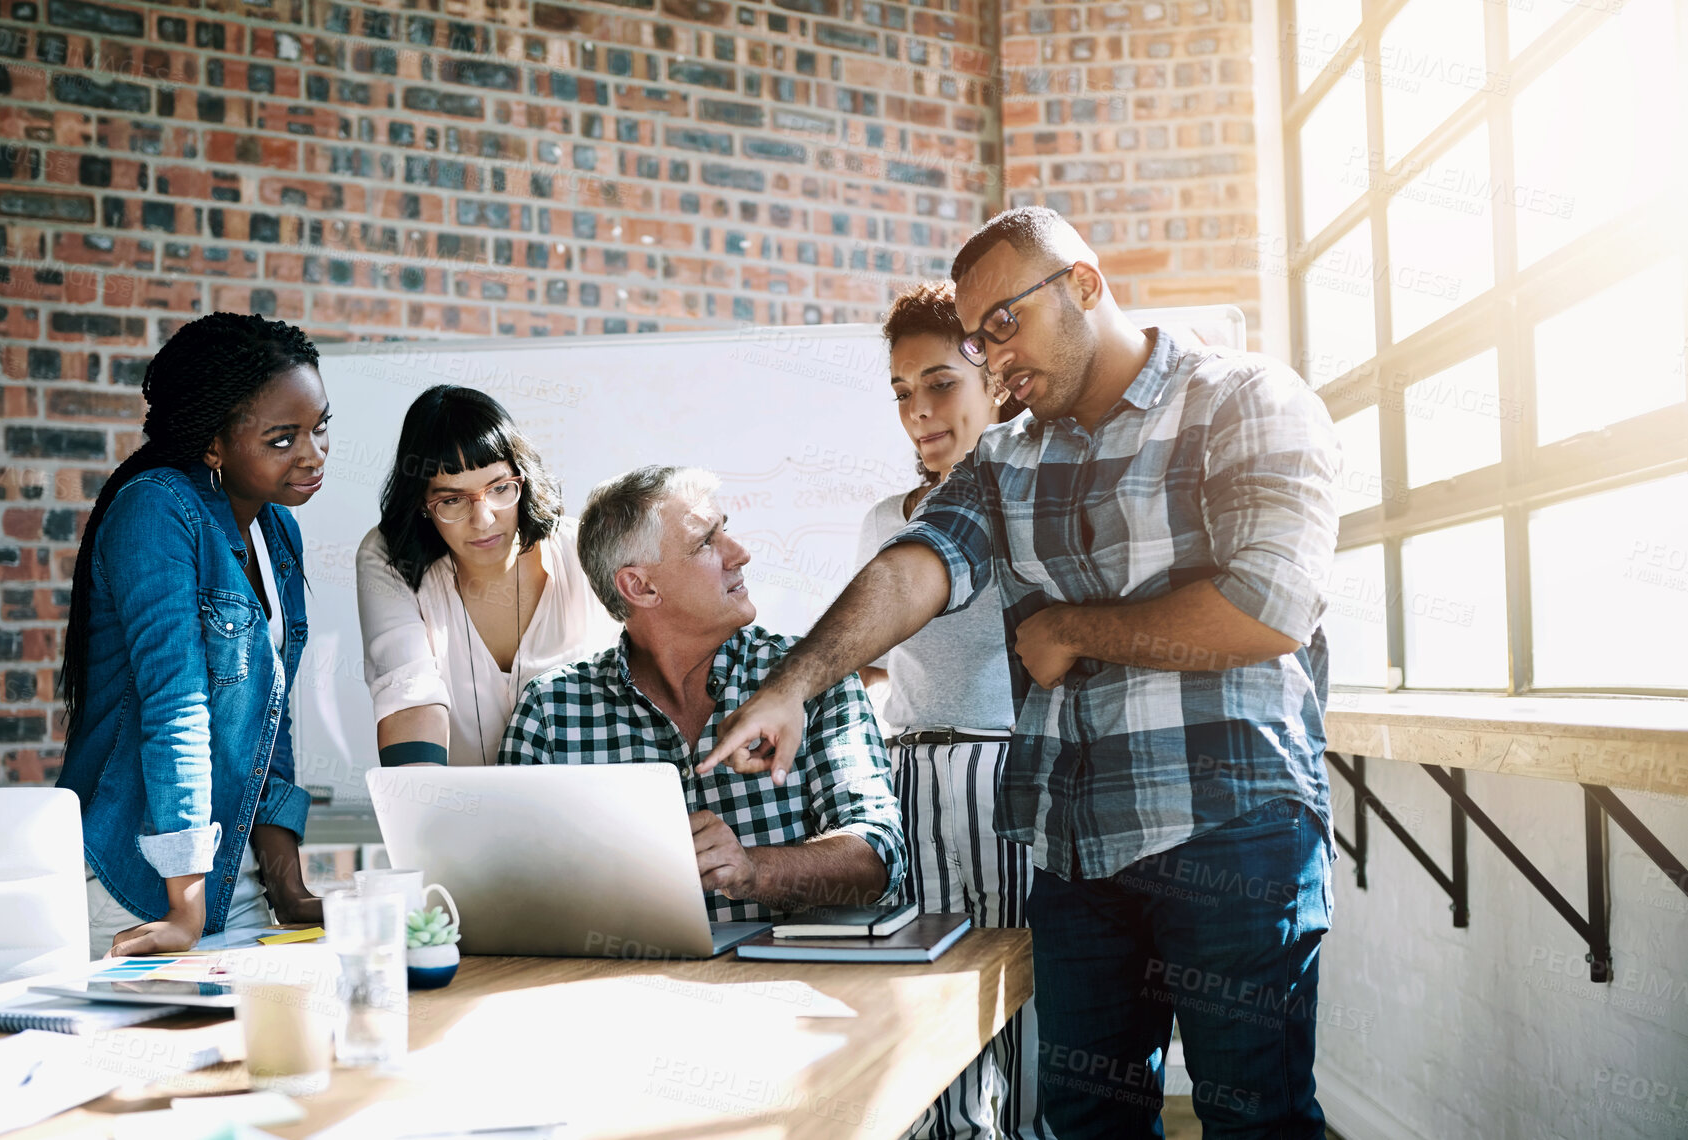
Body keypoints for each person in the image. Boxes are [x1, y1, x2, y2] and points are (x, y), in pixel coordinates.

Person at [705, 207, 1342, 1139]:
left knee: (1256, 1121)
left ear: (1083, 284)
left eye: (1005, 323)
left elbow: (1268, 609)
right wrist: (795, 682)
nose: (992, 359)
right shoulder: (1005, 461)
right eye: (976, 337)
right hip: (1072, 851)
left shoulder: (1240, 398)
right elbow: (914, 566)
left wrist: (1073, 628)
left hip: (1229, 830)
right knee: (1084, 1124)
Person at [500, 465, 906, 920]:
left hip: (790, 982)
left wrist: (754, 870)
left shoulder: (812, 677)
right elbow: (510, 890)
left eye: (725, 532)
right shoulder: (552, 712)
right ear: (641, 586)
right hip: (620, 985)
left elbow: (880, 855)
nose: (740, 553)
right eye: (706, 543)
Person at [58, 313, 330, 958]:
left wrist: (288, 887)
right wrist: (184, 908)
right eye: (282, 439)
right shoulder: (155, 511)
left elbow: (271, 727)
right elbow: (175, 708)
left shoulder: (276, 532)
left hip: (234, 888)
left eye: (320, 428)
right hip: (139, 890)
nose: (313, 454)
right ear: (213, 444)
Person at [855, 280, 1048, 1140]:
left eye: (940, 384)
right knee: (922, 1004)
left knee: (1012, 1008)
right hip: (904, 782)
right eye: (902, 392)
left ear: (995, 381)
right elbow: (867, 666)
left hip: (1002, 778)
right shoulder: (879, 524)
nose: (918, 412)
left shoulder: (1030, 504)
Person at [356, 385, 618, 768]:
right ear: (421, 505)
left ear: (521, 479)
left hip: (592, 809)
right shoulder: (390, 556)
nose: (484, 519)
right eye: (451, 500)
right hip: (462, 815)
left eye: (499, 488)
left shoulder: (585, 549)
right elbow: (409, 698)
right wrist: (424, 814)